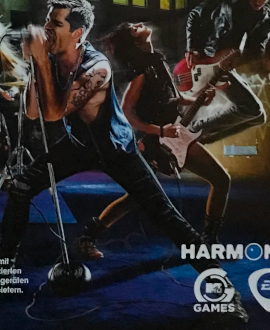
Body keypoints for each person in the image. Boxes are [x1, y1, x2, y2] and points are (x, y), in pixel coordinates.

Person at [0, 0, 206, 265]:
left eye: (56, 24)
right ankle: (0, 269)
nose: (46, 29)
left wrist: (42, 62)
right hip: (79, 144)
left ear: (77, 33)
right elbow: (33, 112)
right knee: (20, 188)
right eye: (48, 21)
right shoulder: (53, 61)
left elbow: (53, 114)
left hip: (115, 148)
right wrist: (37, 63)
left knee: (163, 212)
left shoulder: (97, 68)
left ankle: (217, 278)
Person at [77, 22, 231, 260]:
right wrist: (159, 131)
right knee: (137, 197)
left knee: (221, 179)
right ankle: (88, 237)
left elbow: (172, 97)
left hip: (176, 135)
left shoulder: (157, 59)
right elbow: (127, 112)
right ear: (136, 42)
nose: (140, 24)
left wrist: (198, 99)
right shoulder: (140, 70)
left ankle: (209, 241)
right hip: (154, 141)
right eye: (134, 28)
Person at [180, 0, 270, 145]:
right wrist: (193, 48)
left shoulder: (269, 17)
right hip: (208, 59)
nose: (258, 2)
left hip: (227, 65)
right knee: (252, 110)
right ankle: (194, 131)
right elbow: (196, 15)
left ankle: (197, 140)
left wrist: (265, 63)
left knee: (258, 116)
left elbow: (256, 49)